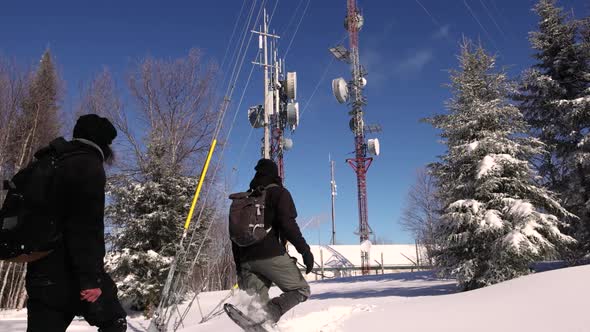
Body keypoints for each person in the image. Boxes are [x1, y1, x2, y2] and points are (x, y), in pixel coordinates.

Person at [26, 114, 127, 332]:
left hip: (39, 273)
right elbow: (85, 227)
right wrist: (91, 279)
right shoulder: (87, 164)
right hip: (70, 276)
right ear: (102, 143)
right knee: (114, 322)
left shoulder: (50, 161)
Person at [232, 158, 314, 324]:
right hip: (269, 254)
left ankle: (262, 320)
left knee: (256, 309)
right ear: (275, 175)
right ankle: (272, 313)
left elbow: (234, 236)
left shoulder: (245, 200)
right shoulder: (278, 193)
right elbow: (288, 225)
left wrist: (240, 267)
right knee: (301, 289)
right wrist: (305, 251)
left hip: (246, 259)